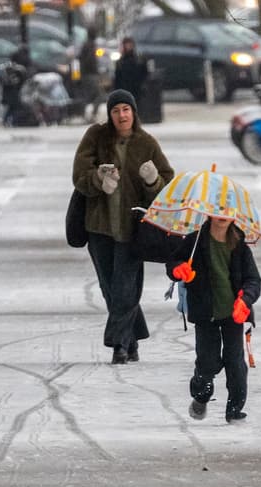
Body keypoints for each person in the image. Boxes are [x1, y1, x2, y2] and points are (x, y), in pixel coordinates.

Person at [72, 89, 175, 364]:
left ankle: (119, 344)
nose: (121, 115)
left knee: (125, 289)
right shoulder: (96, 137)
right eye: (116, 110)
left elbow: (166, 182)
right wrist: (98, 180)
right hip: (99, 229)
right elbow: (79, 175)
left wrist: (153, 180)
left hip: (133, 230)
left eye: (126, 110)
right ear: (110, 114)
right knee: (110, 288)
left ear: (134, 112)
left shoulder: (146, 143)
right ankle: (132, 339)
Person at [166, 216, 261, 423]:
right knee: (207, 361)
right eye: (217, 210)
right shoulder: (194, 241)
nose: (222, 216)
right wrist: (178, 269)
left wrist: (245, 300)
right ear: (208, 212)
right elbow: (173, 262)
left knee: (235, 361)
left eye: (227, 211)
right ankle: (201, 394)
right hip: (204, 312)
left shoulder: (240, 246)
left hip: (233, 313)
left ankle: (235, 409)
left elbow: (253, 280)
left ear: (234, 215)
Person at [0, 45, 31, 127]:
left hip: (10, 92)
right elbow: (17, 81)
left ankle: (7, 121)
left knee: (12, 107)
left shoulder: (8, 68)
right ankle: (11, 121)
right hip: (13, 92)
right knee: (15, 107)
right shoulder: (17, 69)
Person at [78, 29, 104, 122]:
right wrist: (96, 71)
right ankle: (92, 114)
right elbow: (90, 61)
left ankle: (83, 114)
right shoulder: (91, 46)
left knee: (87, 95)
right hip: (91, 74)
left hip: (86, 74)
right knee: (99, 95)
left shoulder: (85, 45)